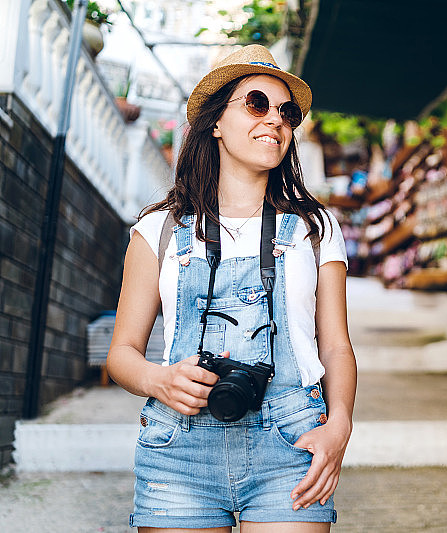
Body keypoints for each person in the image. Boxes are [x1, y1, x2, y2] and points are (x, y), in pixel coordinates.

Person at [107, 45, 356, 532]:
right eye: (257, 103)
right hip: (178, 446)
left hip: (291, 440)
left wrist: (340, 425)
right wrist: (158, 381)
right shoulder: (158, 229)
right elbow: (122, 352)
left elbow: (336, 346)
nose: (276, 121)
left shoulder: (316, 227)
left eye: (286, 112)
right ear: (215, 122)